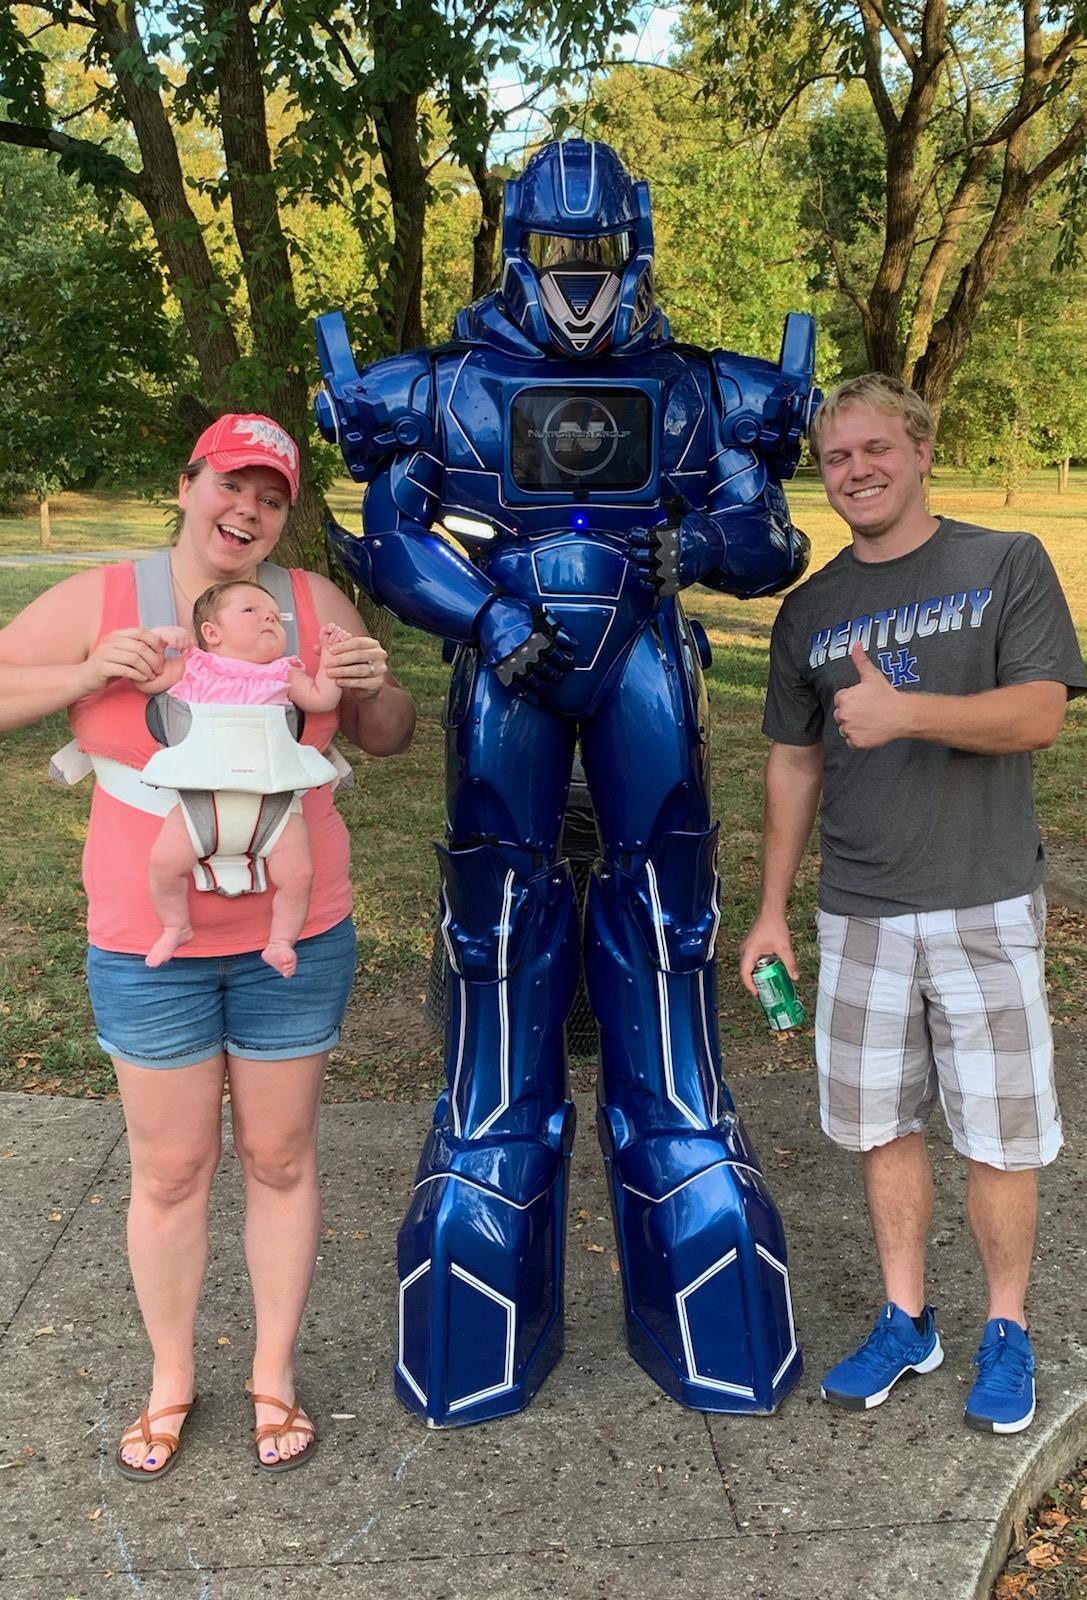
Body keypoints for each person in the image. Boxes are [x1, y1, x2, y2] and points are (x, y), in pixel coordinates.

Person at [314, 138, 820, 1425]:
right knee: (492, 921)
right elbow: (389, 534)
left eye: (597, 258)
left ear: (634, 251)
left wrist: (691, 539)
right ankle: (491, 1132)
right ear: (520, 253)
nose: (579, 284)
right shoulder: (449, 381)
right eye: (558, 257)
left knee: (669, 914)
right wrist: (484, 621)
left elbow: (772, 536)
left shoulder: (699, 390)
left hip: (646, 661)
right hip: (510, 660)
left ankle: (681, 1134)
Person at [0, 413, 415, 1477]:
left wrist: (372, 682)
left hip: (294, 931)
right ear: (186, 485)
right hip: (153, 939)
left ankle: (273, 1372)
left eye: (272, 497)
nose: (250, 511)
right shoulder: (107, 599)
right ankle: (171, 1376)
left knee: (280, 1157)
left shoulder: (310, 602)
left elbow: (388, 734)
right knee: (173, 1169)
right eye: (232, 486)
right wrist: (89, 669)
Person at [739, 373, 1087, 1435]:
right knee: (880, 1126)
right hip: (859, 912)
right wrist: (770, 911)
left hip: (981, 901)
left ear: (922, 448)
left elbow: (1037, 714)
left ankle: (1007, 1328)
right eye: (837, 458)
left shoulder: (1003, 565)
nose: (856, 472)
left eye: (875, 449)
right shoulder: (811, 611)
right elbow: (793, 768)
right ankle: (907, 1316)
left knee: (997, 1134)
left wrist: (905, 713)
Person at [137, 584, 350, 975]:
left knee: (298, 873)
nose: (270, 616)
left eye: (275, 613)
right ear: (211, 633)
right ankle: (176, 925)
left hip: (274, 810)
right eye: (251, 610)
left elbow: (322, 699)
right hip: (201, 805)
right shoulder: (192, 666)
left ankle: (281, 941)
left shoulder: (286, 672)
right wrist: (158, 641)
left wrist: (333, 662)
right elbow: (146, 681)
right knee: (164, 862)